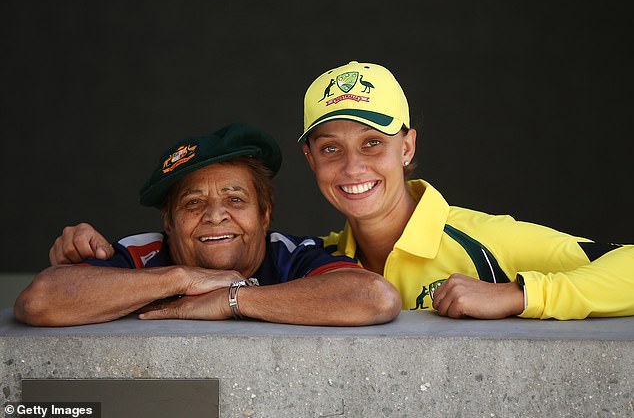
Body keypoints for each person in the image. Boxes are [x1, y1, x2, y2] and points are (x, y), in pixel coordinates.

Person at [46, 62, 634, 320]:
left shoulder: (482, 239)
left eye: (373, 144)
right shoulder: (321, 257)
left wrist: (517, 296)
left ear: (407, 148)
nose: (352, 166)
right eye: (331, 147)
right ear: (310, 159)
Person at [14, 123, 401, 327]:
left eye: (235, 200)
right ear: (168, 220)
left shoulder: (293, 255)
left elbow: (375, 298)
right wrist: (181, 279)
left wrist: (231, 301)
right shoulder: (142, 253)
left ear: (265, 214)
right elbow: (39, 301)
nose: (215, 215)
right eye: (193, 203)